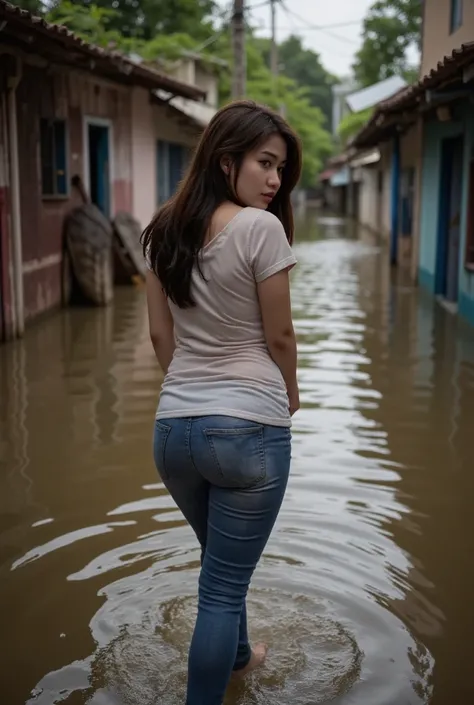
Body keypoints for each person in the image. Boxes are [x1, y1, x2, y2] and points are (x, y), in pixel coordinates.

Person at [142, 99, 302, 705]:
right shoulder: (262, 230)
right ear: (225, 160)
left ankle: (238, 658)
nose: (274, 180)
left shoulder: (162, 230)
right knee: (222, 590)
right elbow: (281, 335)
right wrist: (289, 389)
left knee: (221, 570)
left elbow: (162, 337)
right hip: (247, 431)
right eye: (265, 163)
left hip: (172, 432)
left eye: (281, 169)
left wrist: (190, 393)